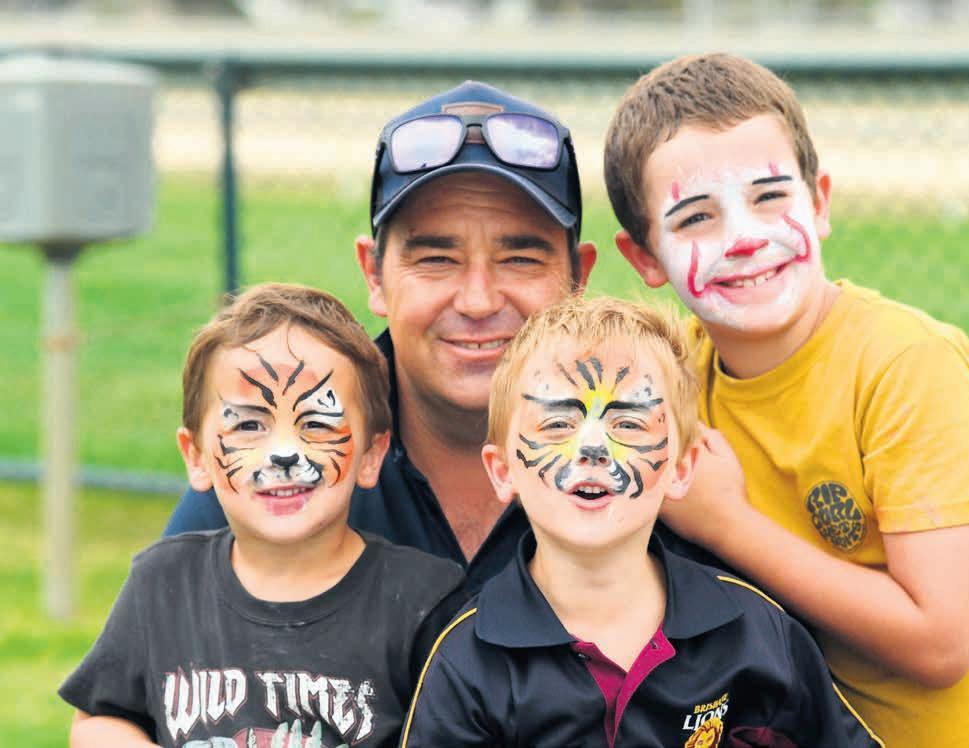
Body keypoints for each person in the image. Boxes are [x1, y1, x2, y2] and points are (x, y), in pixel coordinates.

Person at [606, 53, 969, 746]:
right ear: (643, 257)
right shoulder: (679, 381)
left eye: (769, 197)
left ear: (819, 203)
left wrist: (729, 526)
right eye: (696, 216)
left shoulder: (903, 364)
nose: (745, 238)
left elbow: (941, 644)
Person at [163, 80, 723, 592]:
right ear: (373, 275)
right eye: (436, 259)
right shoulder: (291, 439)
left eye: (520, 258)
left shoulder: (656, 453)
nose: (478, 301)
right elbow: (151, 655)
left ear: (578, 277)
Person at [400, 296, 883, 748]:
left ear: (681, 468)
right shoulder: (468, 661)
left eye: (628, 424)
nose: (592, 448)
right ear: (503, 471)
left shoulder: (753, 631)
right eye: (558, 424)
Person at [60, 284, 465, 747]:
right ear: (196, 456)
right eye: (249, 425)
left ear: (372, 454)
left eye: (316, 423)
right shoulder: (163, 582)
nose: (284, 453)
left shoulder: (425, 602)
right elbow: (98, 721)